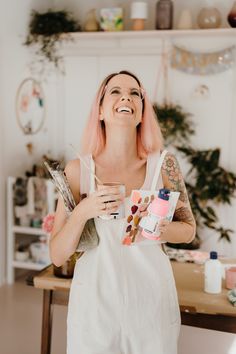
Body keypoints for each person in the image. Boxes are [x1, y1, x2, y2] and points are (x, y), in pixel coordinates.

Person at [50, 70, 196, 354]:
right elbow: (57, 255)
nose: (125, 97)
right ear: (101, 110)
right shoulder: (77, 170)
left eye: (134, 93)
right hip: (94, 309)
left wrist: (159, 227)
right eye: (114, 91)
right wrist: (84, 211)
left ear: (142, 113)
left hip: (151, 307)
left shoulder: (165, 166)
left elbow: (189, 229)